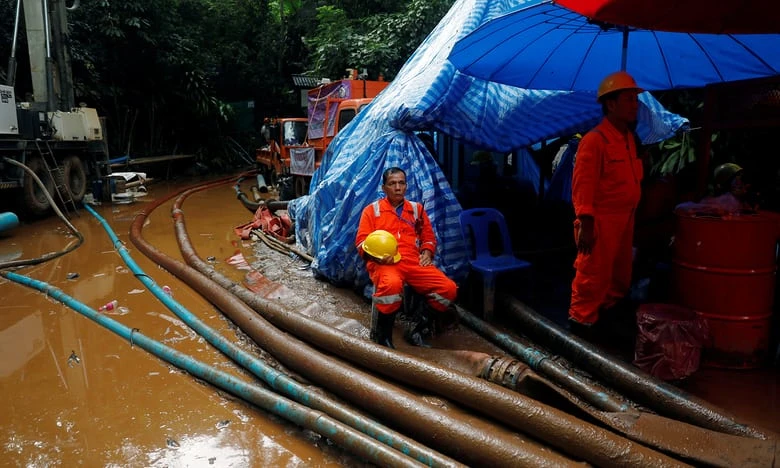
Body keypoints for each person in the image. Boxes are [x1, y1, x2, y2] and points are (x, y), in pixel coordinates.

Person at [569, 71, 644, 335]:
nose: (635, 105)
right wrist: (586, 224)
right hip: (600, 221)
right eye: (629, 99)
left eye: (636, 100)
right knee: (592, 276)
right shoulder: (594, 141)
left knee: (619, 277)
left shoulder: (628, 140)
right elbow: (583, 187)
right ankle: (581, 325)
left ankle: (605, 320)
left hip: (626, 218)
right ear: (611, 104)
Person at [355, 167, 458, 348]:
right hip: (384, 262)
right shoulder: (372, 211)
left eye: (401, 183)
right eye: (392, 183)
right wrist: (376, 257)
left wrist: (426, 252)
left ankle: (418, 330)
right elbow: (361, 242)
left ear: (406, 186)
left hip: (412, 261)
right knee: (391, 285)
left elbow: (428, 237)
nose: (397, 187)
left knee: (448, 289)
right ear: (384, 188)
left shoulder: (416, 209)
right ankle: (383, 335)